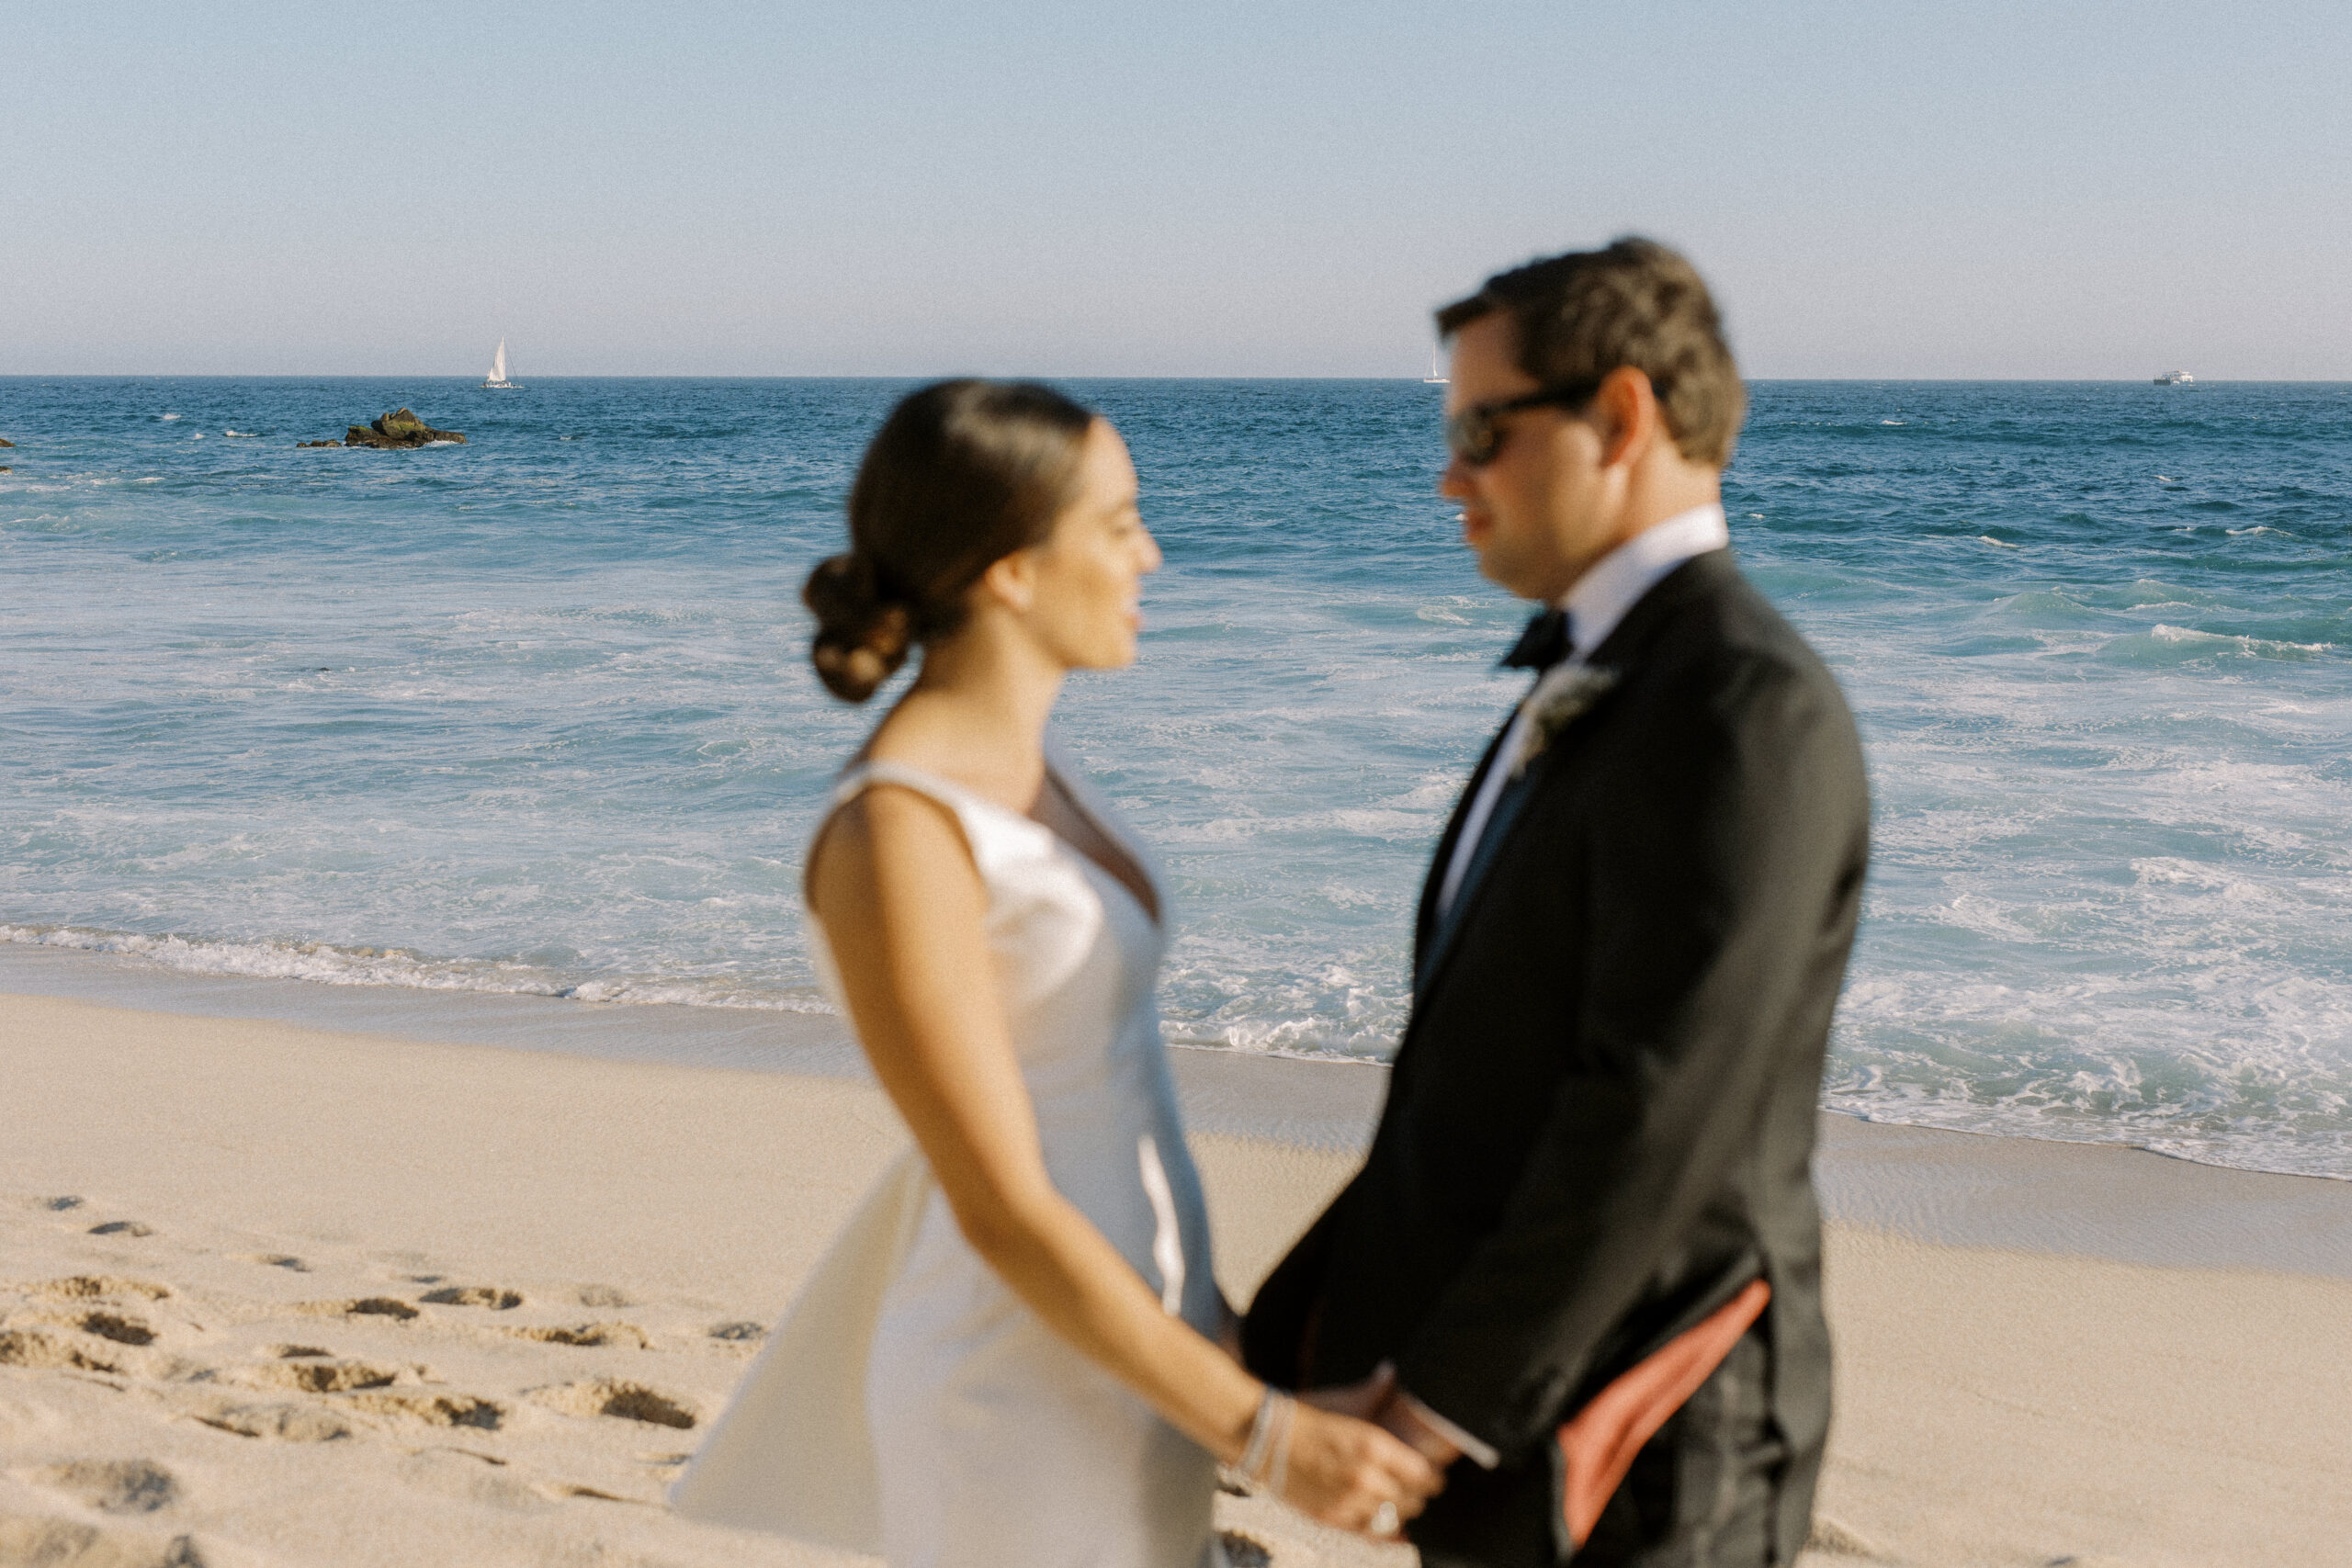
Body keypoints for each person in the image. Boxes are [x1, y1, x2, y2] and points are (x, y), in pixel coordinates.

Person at [670, 379, 1442, 1568]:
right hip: (1014, 1392)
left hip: (1133, 1358)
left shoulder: (1035, 772)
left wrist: (1229, 1352)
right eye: (1118, 524)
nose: (1152, 554)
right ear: (1011, 570)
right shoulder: (896, 834)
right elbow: (1002, 1205)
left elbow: (1106, 1100)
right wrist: (1265, 1434)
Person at [1243, 240, 1871, 1566]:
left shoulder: (1740, 707)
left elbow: (1655, 1105)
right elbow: (1481, 1076)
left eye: (1482, 428)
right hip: (1522, 1399)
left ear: (1622, 416)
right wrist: (1292, 1350)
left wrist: (1439, 1410)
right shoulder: (1605, 674)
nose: (1449, 474)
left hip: (1648, 1432)